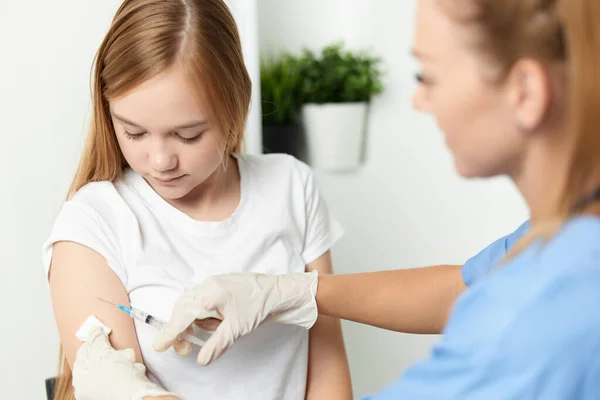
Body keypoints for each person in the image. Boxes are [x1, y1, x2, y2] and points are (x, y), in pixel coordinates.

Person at [154, 0, 600, 398]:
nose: (419, 100)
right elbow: (462, 288)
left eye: (427, 75)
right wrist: (290, 291)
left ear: (525, 91)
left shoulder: (532, 321)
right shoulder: (567, 243)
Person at [42, 0, 352, 399]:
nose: (159, 160)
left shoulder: (291, 186)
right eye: (134, 132)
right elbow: (110, 384)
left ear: (235, 106)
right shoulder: (94, 222)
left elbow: (329, 371)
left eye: (188, 135)